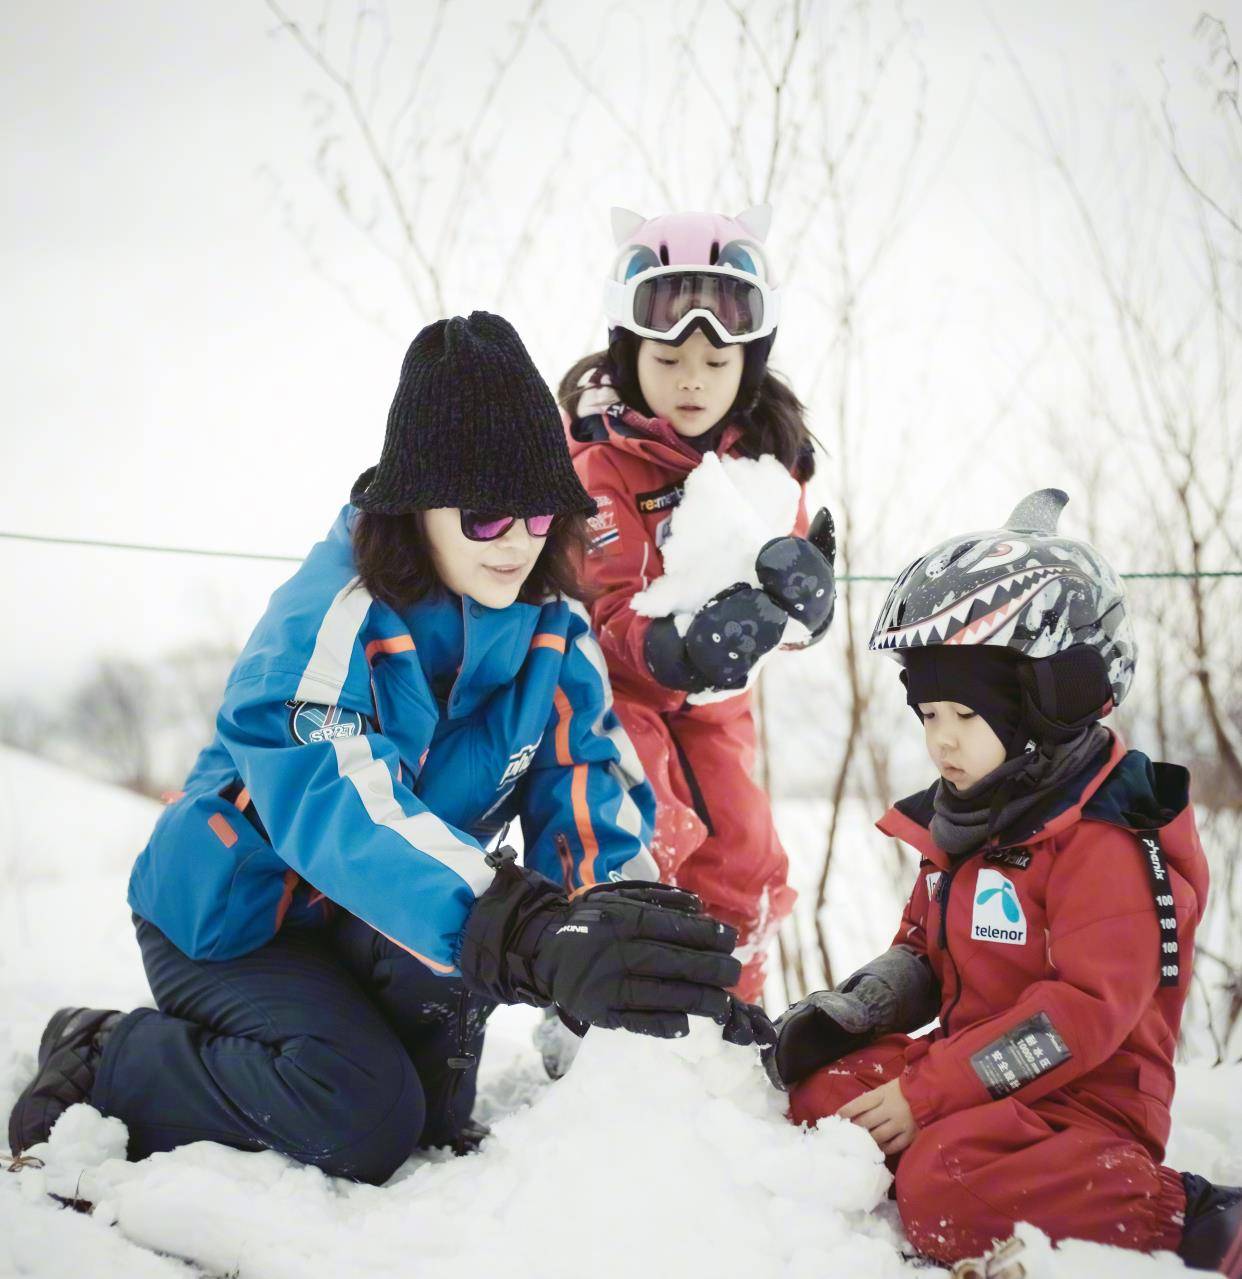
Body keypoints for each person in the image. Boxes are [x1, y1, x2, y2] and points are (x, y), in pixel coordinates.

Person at [8, 311, 764, 1187]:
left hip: (390, 918)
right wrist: (521, 925)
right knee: (363, 1116)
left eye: (537, 512)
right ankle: (105, 1052)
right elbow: (337, 806)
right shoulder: (331, 616)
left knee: (435, 1126)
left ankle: (352, 1060)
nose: (516, 541)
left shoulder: (552, 632)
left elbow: (588, 794)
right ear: (417, 506)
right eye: (484, 515)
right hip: (239, 920)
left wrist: (630, 937)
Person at [764, 488, 1242, 1275]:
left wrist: (926, 1097)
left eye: (962, 713)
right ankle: (945, 1163)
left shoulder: (1104, 838)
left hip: (1082, 1104)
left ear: (1045, 709)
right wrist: (856, 1008)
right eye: (926, 714)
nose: (940, 740)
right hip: (978, 1080)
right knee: (824, 1097)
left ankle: (1194, 1217)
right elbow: (926, 948)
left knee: (942, 1184)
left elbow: (1081, 1013)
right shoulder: (971, 818)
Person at [558, 205, 836, 1002]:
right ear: (628, 348)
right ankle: (617, 1015)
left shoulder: (765, 455)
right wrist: (671, 648)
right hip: (616, 693)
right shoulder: (595, 463)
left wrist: (804, 609)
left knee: (744, 852)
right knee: (649, 835)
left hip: (715, 702)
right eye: (671, 358)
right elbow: (600, 607)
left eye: (718, 364)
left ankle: (730, 1015)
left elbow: (774, 597)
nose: (693, 382)